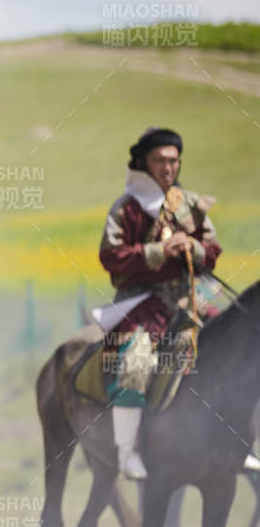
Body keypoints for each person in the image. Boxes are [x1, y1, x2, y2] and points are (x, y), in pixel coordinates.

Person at [99, 127, 259, 479]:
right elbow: (111, 257)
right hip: (141, 302)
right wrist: (159, 250)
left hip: (191, 299)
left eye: (173, 160)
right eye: (160, 160)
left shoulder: (189, 205)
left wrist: (193, 247)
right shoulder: (126, 209)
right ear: (143, 162)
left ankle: (244, 443)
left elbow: (212, 253)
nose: (168, 167)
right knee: (135, 361)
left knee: (239, 347)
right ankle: (129, 451)